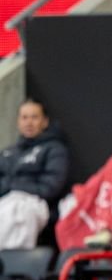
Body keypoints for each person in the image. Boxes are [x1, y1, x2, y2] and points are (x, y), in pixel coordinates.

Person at [0, 98, 69, 248]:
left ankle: (14, 266)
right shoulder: (8, 152)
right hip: (5, 202)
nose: (29, 122)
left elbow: (50, 187)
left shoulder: (54, 149)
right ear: (18, 122)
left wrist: (14, 186)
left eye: (34, 117)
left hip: (36, 204)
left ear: (44, 121)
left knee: (18, 211)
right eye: (24, 117)